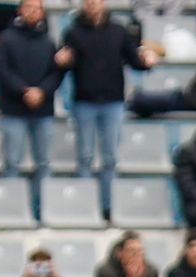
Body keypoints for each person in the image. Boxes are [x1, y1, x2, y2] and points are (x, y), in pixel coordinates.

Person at [56, 0, 156, 220]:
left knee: (110, 158)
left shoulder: (118, 30)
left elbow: (134, 59)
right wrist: (61, 62)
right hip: (84, 102)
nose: (93, 4)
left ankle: (107, 207)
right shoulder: (73, 32)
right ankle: (84, 207)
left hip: (113, 102)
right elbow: (64, 63)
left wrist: (147, 61)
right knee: (85, 157)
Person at [0, 0, 63, 219]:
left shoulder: (49, 41)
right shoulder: (6, 39)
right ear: (20, 10)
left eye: (37, 8)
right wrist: (24, 91)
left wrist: (41, 91)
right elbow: (2, 71)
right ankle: (11, 210)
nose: (33, 12)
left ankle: (42, 210)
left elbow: (56, 73)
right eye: (29, 7)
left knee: (43, 164)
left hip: (43, 112)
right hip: (14, 111)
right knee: (12, 163)